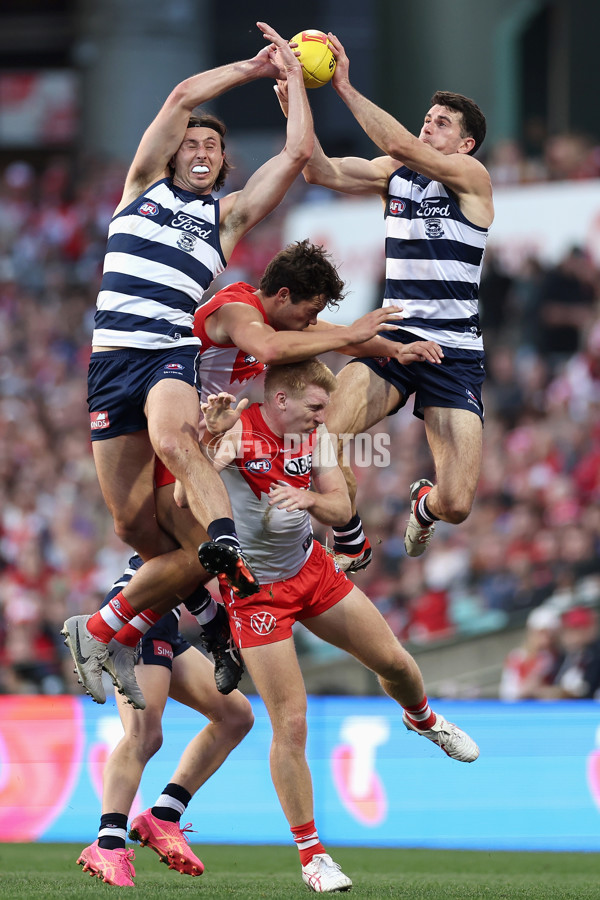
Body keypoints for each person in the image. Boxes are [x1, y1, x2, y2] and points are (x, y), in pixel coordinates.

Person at [61, 20, 318, 706]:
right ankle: (202, 617)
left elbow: (294, 157)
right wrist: (254, 66)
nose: (202, 150)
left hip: (168, 350)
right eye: (195, 143)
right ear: (175, 154)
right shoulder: (139, 187)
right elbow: (178, 97)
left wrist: (295, 83)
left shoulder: (223, 220)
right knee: (133, 527)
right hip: (113, 357)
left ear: (223, 164)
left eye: (214, 146)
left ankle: (223, 546)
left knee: (176, 437)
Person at [69, 240, 443, 710]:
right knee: (200, 555)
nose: (311, 323)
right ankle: (106, 629)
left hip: (227, 442)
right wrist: (350, 334)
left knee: (327, 465)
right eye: (309, 312)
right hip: (190, 443)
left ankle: (166, 629)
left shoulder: (281, 322)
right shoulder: (236, 311)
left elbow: (339, 337)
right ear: (282, 296)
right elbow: (275, 344)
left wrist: (394, 348)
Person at [202, 359, 479, 893]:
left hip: (311, 570)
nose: (325, 417)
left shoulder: (316, 437)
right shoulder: (235, 427)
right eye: (316, 407)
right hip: (256, 593)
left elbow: (338, 501)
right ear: (281, 399)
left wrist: (309, 498)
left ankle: (422, 719)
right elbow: (187, 489)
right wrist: (211, 449)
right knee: (292, 723)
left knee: (395, 662)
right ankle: (313, 857)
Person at [277, 33, 493, 567]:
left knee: (458, 504)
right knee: (322, 438)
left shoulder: (471, 178)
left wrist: (343, 85)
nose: (428, 124)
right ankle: (346, 538)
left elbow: (400, 144)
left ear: (466, 144)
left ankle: (424, 505)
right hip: (394, 338)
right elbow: (317, 170)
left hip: (454, 354)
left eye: (443, 122)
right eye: (428, 117)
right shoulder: (394, 176)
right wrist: (297, 102)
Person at [77, 556, 254, 887]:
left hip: (163, 614)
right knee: (143, 735)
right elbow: (182, 557)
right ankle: (107, 843)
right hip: (138, 609)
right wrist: (212, 618)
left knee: (236, 716)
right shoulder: (198, 505)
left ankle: (163, 816)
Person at [499, 605, 562, 701]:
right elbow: (508, 692)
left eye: (550, 634)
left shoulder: (558, 657)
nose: (546, 639)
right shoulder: (516, 656)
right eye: (541, 633)